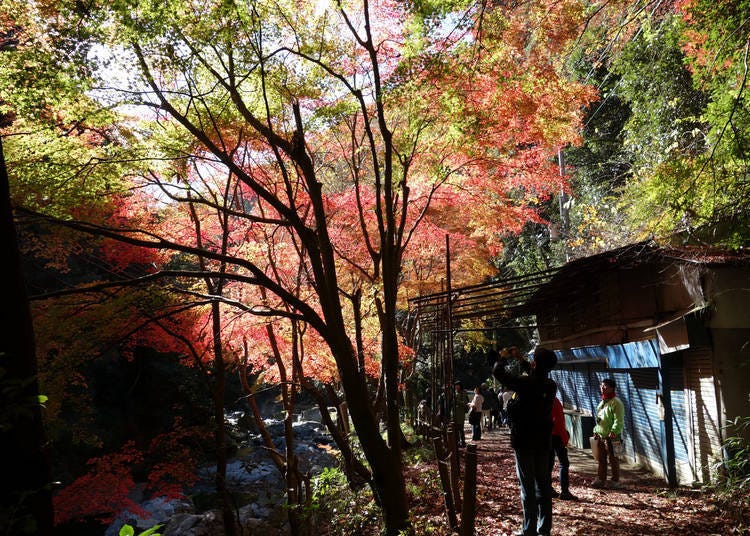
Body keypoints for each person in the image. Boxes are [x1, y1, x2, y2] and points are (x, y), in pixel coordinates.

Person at [493, 347, 558, 536]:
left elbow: (499, 373)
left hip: (523, 440)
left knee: (527, 487)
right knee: (544, 485)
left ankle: (528, 530)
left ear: (535, 363)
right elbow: (536, 375)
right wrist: (522, 360)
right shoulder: (550, 385)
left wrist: (501, 357)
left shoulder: (524, 383)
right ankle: (544, 529)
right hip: (543, 441)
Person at [592, 378, 625, 489]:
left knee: (614, 459)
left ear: (612, 388)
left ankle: (615, 481)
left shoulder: (616, 402)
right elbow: (599, 419)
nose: (602, 388)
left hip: (613, 437)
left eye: (605, 386)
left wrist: (614, 432)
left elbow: (619, 420)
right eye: (602, 386)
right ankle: (601, 479)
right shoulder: (602, 402)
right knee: (601, 459)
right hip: (601, 436)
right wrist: (596, 431)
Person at [549, 396, 576, 500]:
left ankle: (548, 489)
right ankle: (564, 491)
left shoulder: (539, 400)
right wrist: (564, 438)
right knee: (563, 463)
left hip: (546, 436)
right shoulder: (554, 401)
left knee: (548, 464)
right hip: (557, 436)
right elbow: (559, 421)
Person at [453, 381, 467, 448]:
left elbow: (465, 403)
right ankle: (457, 442)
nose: (456, 387)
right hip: (455, 414)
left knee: (461, 429)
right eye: (456, 385)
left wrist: (457, 401)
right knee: (456, 429)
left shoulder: (463, 393)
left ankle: (463, 442)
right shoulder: (454, 393)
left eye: (458, 385)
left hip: (461, 414)